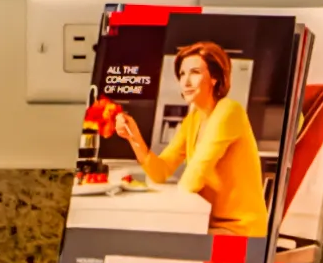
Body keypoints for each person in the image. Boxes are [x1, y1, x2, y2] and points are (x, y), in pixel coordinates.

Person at [92, 38, 270, 240]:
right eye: (182, 74)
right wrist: (133, 137)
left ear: (214, 78)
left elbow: (192, 178)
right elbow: (160, 172)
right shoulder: (193, 120)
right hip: (207, 224)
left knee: (154, 239)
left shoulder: (229, 111)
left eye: (195, 72)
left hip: (241, 234)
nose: (185, 82)